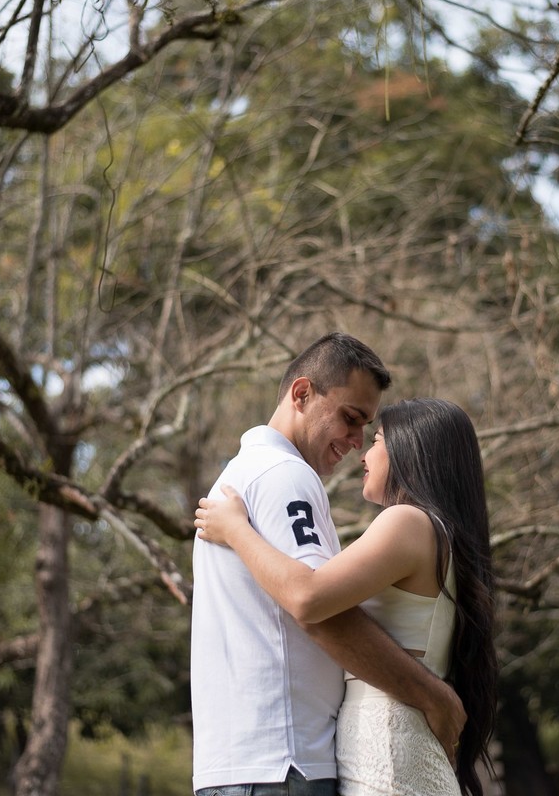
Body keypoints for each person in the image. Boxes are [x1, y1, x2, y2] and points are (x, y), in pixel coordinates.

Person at [190, 333, 466, 796]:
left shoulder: (242, 476)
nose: (358, 443)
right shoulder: (286, 475)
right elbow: (317, 609)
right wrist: (432, 698)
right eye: (351, 419)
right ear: (302, 394)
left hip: (250, 764)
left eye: (370, 431)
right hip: (284, 763)